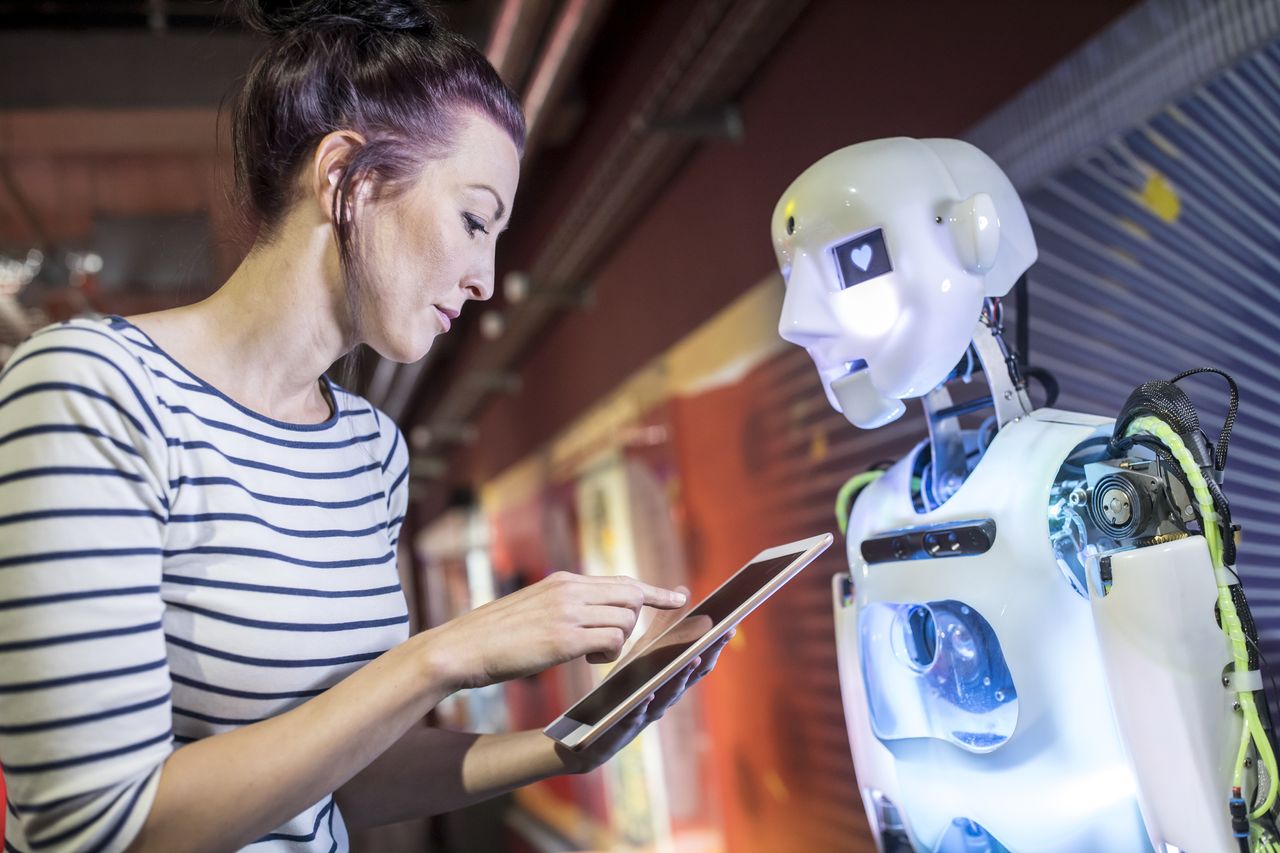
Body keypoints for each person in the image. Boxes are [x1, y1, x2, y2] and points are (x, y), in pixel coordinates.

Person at [0, 2, 729, 850]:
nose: (486, 279)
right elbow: (87, 830)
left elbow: (336, 780)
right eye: (472, 220)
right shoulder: (95, 387)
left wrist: (570, 740)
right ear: (346, 176)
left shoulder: (370, 451)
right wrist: (442, 655)